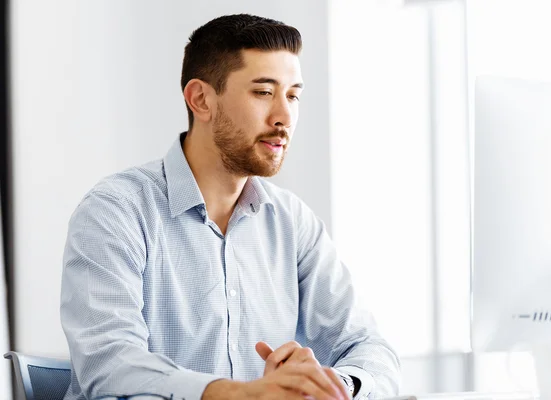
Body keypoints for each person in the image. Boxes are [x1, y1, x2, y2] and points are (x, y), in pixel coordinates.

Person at [60, 13, 401, 400]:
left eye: (292, 95)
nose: (284, 117)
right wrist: (237, 394)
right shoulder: (115, 212)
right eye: (263, 92)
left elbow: (372, 351)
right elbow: (108, 365)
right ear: (201, 99)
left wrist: (328, 385)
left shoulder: (293, 223)